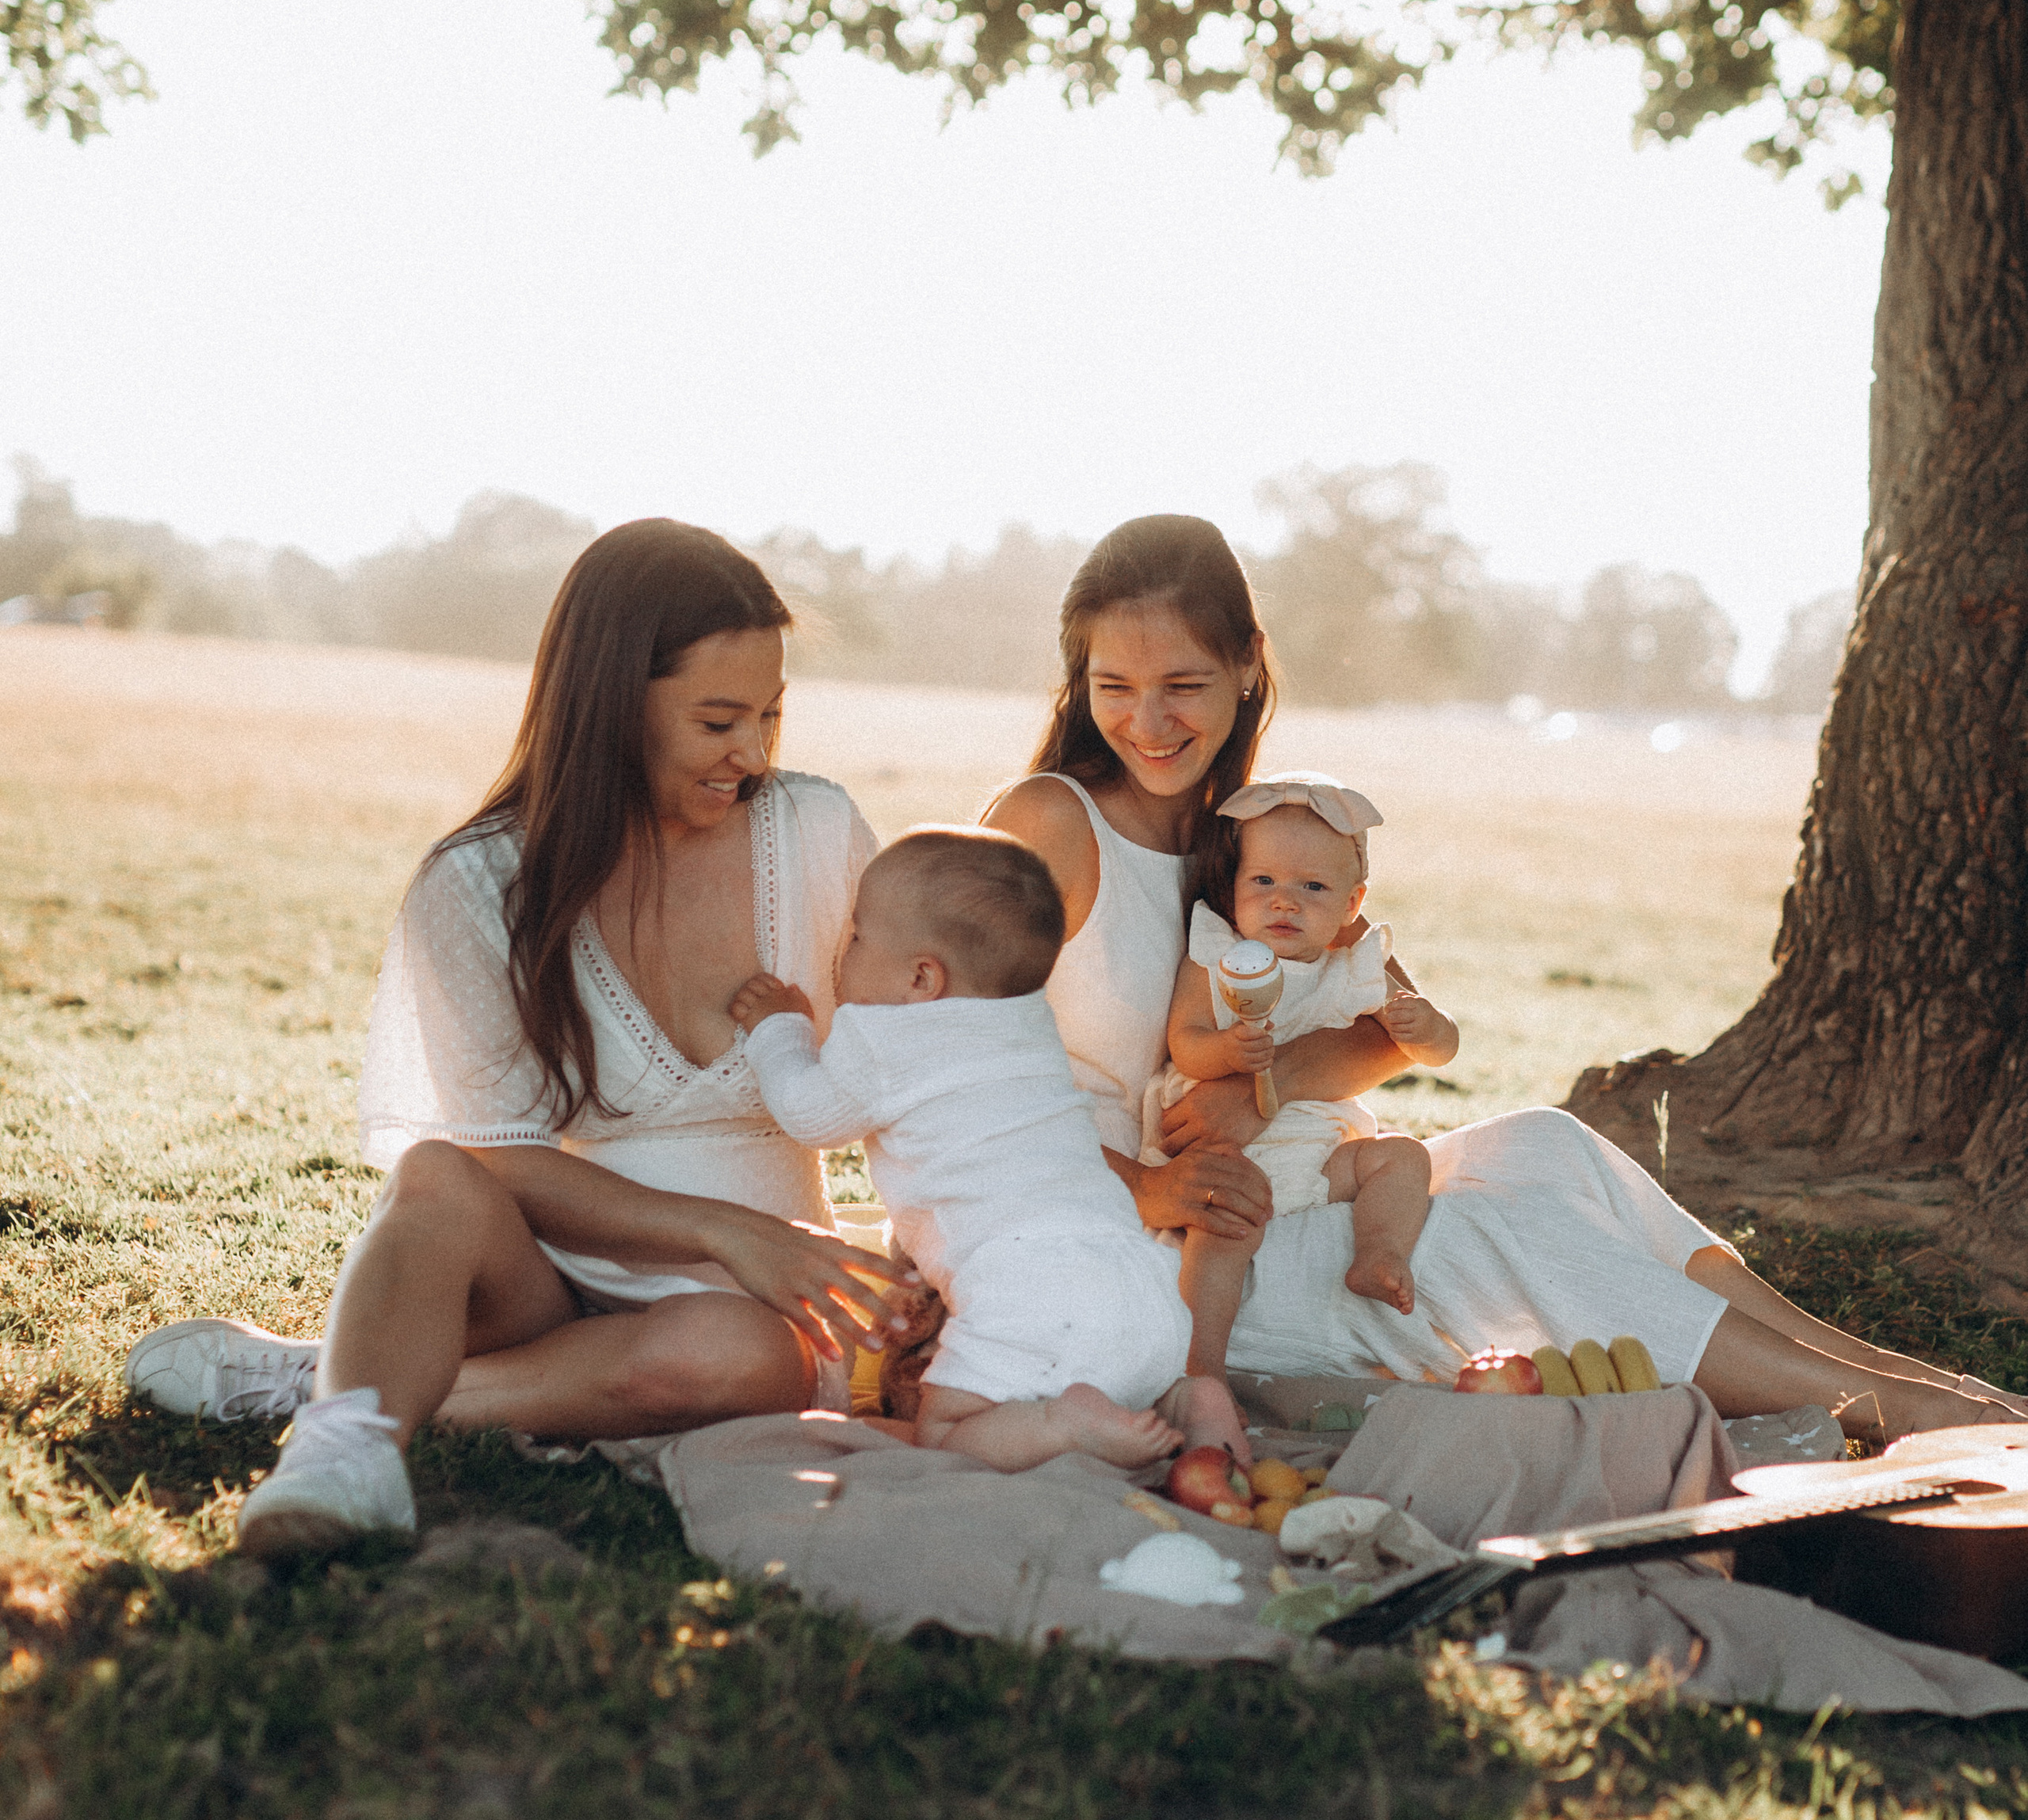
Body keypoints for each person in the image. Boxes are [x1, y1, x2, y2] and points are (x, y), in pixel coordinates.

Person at [988, 513, 2026, 1441]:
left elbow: (1364, 1038)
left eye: (1183, 685)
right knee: (1494, 1232)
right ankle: (1889, 1411)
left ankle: (1878, 1369)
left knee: (1550, 1146)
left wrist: (1260, 1085)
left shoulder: (1245, 834)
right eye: (1113, 687)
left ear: (1248, 669)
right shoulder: (1051, 824)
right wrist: (1156, 1182)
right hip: (1143, 1248)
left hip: (1251, 1181)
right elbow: (952, 1083)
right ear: (1078, 685)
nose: (1149, 721)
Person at [124, 520, 918, 1555]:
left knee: (739, 1357)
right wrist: (731, 1231)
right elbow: (498, 1156)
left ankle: (342, 1379)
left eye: (771, 714)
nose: (754, 754)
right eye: (718, 720)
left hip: (748, 1315)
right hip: (541, 1278)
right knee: (438, 1175)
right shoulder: (479, 883)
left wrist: (928, 1256)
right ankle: (345, 1451)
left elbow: (907, 1062)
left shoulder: (815, 833)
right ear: (608, 703)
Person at [730, 825, 1233, 1470]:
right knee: (1141, 1383)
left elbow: (810, 1114)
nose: (842, 950)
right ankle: (1194, 1400)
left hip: (1026, 1295)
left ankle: (1064, 1421)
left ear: (921, 978)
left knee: (944, 1434)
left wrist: (779, 1027)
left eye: (856, 936)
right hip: (1144, 1291)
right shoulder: (1028, 1023)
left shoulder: (883, 1035)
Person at [1146, 775, 1454, 1383]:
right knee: (1220, 1236)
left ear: (1351, 905)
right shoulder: (1217, 958)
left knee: (1400, 1156)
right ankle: (1200, 1370)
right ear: (1234, 888)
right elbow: (1186, 1046)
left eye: (1312, 887)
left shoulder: (1354, 967)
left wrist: (1427, 1026)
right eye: (1264, 882)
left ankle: (1379, 1252)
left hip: (1319, 1155)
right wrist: (1227, 1050)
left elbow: (1439, 1054)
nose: (1284, 901)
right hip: (1231, 1154)